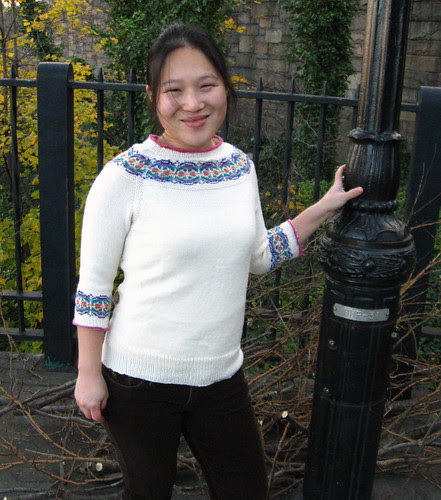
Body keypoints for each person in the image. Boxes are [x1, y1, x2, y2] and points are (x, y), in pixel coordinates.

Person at [74, 23, 363, 500]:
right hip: (138, 381)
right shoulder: (125, 177)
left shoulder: (238, 166)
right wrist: (89, 374)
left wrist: (325, 207)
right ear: (153, 96)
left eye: (206, 85)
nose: (192, 103)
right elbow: (94, 287)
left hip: (221, 377)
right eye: (174, 90)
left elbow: (258, 256)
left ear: (226, 88)